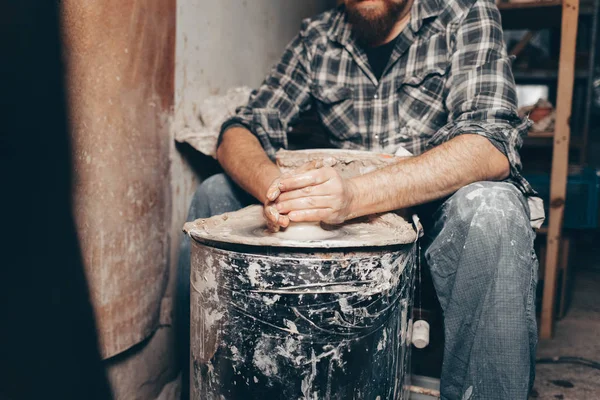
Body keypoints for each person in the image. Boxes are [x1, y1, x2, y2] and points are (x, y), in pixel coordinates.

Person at [178, 0, 543, 398]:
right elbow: (239, 129)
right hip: (344, 229)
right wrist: (275, 188)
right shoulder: (318, 37)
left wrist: (355, 195)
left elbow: (490, 145)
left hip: (430, 222)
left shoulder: (465, 14)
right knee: (215, 192)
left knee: (493, 210)